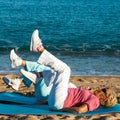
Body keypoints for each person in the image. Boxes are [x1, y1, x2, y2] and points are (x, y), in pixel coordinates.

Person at [6, 29, 118, 113]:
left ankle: (39, 48)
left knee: (65, 69)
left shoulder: (95, 101)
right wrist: (45, 103)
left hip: (59, 102)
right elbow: (65, 96)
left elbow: (80, 110)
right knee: (56, 71)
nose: (100, 89)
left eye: (103, 90)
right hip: (55, 100)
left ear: (104, 97)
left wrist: (61, 109)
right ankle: (36, 76)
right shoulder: (90, 95)